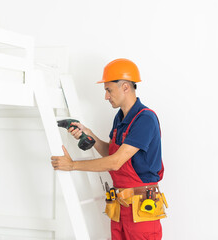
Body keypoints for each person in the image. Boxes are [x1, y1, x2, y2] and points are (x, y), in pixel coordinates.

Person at [51, 58, 167, 240]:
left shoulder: (145, 119)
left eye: (108, 90)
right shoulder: (120, 118)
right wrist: (89, 134)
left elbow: (115, 162)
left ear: (126, 87)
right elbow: (112, 153)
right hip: (120, 206)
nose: (106, 96)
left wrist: (72, 165)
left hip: (142, 209)